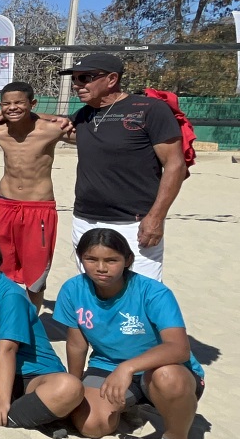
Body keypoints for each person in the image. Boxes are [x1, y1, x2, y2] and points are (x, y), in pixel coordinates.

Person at [55, 228, 204, 439]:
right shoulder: (73, 289)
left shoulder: (153, 292)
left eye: (111, 260)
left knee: (167, 377)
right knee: (91, 426)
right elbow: (76, 343)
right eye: (91, 259)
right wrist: (73, 390)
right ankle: (128, 406)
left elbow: (179, 349)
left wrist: (128, 367)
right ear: (81, 258)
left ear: (128, 261)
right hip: (105, 365)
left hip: (163, 369)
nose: (101, 268)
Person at [61, 53, 185, 281]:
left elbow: (175, 164)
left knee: (141, 293)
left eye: (85, 78)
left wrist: (156, 218)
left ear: (111, 79)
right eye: (75, 79)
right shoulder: (83, 115)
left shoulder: (150, 109)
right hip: (85, 219)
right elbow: (43, 124)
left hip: (135, 222)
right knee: (94, 289)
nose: (78, 85)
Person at [0, 232, 84, 431]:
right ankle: (30, 417)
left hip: (35, 375)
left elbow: (8, 349)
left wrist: (2, 400)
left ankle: (2, 414)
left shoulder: (10, 295)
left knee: (71, 387)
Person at [0, 82, 69, 309]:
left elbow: (92, 134)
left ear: (32, 104)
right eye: (7, 103)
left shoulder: (51, 129)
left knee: (35, 274)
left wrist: (54, 116)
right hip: (5, 205)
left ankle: (32, 323)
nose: (12, 108)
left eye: (19, 102)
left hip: (38, 208)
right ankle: (1, 315)